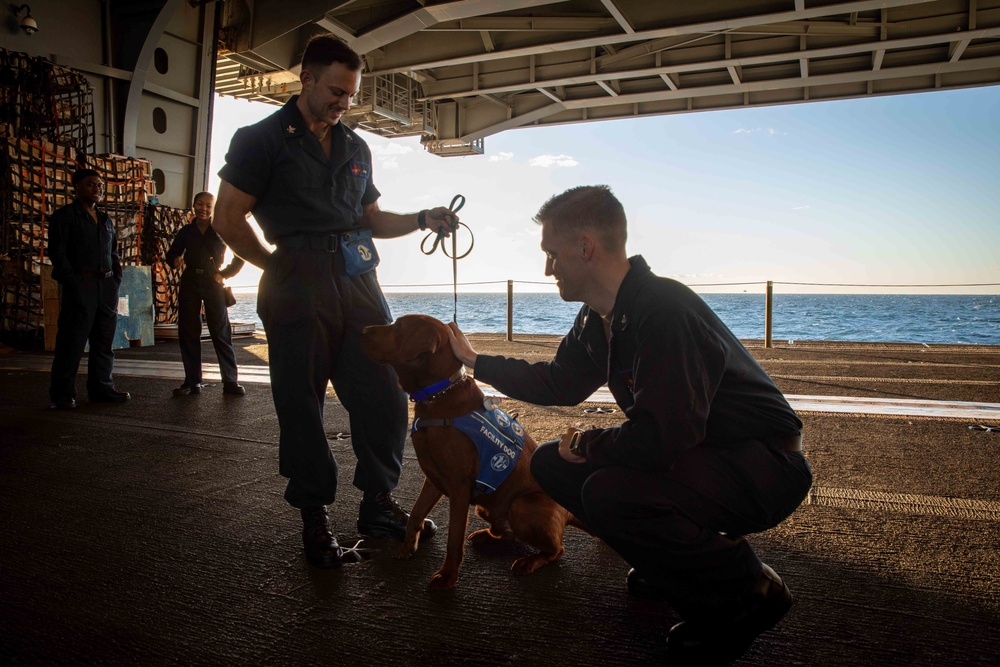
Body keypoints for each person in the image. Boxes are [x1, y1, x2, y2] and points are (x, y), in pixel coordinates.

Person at [447, 185, 813, 664]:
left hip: (762, 466)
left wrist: (588, 442)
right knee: (550, 466)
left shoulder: (663, 311)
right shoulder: (600, 315)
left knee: (608, 491)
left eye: (552, 255)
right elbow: (560, 382)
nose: (547, 269)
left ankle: (750, 592)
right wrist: (476, 361)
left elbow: (664, 438)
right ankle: (671, 568)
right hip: (702, 453)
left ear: (585, 248)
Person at [213, 34, 458, 569]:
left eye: (350, 94)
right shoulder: (260, 139)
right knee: (301, 404)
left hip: (357, 278)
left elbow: (372, 218)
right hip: (296, 277)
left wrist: (422, 218)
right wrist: (273, 265)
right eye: (335, 91)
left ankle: (377, 503)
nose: (344, 103)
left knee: (386, 395)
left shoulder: (355, 146)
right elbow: (227, 218)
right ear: (305, 78)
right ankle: (315, 520)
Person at [47, 168, 131, 409]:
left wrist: (116, 279)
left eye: (100, 185)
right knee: (71, 343)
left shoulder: (105, 220)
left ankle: (101, 388)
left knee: (104, 342)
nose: (97, 189)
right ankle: (62, 395)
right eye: (91, 184)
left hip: (106, 287)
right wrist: (74, 282)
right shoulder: (64, 217)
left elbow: (113, 252)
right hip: (81, 286)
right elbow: (58, 254)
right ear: (77, 187)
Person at [164, 191, 246, 397]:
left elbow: (241, 255)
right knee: (189, 332)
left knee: (221, 332)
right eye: (200, 204)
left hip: (214, 281)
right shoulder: (185, 231)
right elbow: (172, 253)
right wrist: (175, 261)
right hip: (190, 280)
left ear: (214, 208)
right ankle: (192, 382)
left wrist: (225, 274)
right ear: (193, 206)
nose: (204, 209)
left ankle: (230, 381)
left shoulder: (221, 230)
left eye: (208, 206)